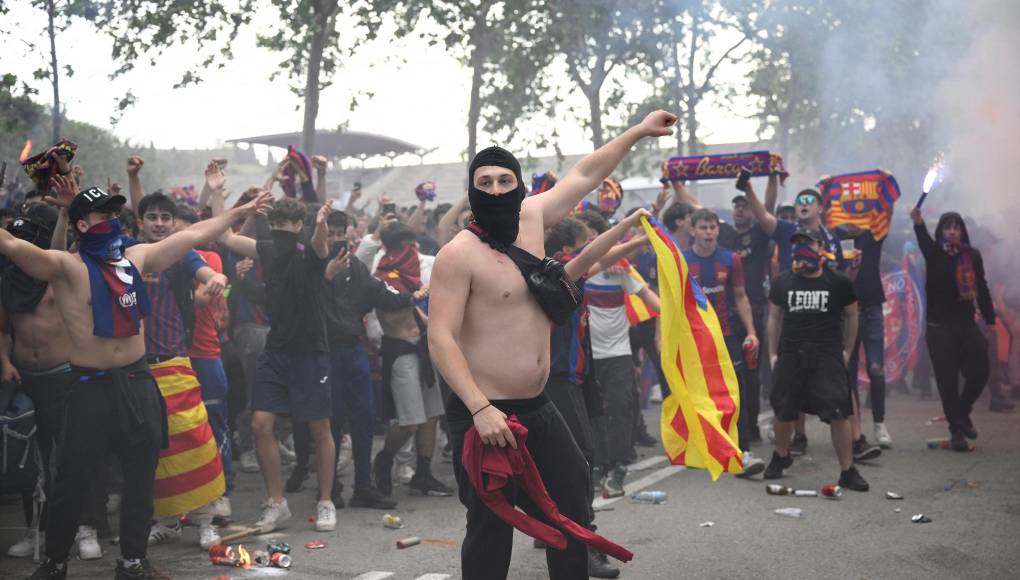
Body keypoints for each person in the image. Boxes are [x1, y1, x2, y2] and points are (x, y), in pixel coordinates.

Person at [429, 110, 676, 580]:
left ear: (519, 185)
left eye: (505, 180)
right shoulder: (456, 255)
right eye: (485, 182)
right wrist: (480, 409)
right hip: (485, 413)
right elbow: (440, 338)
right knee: (490, 526)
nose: (496, 190)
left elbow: (586, 173)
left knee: (572, 504)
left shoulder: (533, 216)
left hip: (537, 404)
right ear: (473, 191)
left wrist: (640, 131)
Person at [0, 181, 270, 580]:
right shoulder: (66, 267)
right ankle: (54, 562)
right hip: (90, 386)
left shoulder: (136, 257)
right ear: (81, 225)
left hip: (138, 380)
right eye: (103, 214)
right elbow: (10, 244)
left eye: (115, 213)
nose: (112, 220)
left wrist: (239, 212)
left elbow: (194, 234)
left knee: (141, 477)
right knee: (73, 478)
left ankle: (132, 561)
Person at [216, 197, 338, 533]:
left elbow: (320, 245)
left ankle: (325, 500)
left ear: (299, 225)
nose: (279, 230)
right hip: (276, 350)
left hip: (311, 351)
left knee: (319, 428)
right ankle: (276, 502)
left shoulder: (309, 252)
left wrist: (322, 224)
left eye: (286, 224)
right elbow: (225, 236)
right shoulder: (267, 249)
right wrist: (220, 195)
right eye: (275, 224)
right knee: (260, 424)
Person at [543, 209, 652, 579]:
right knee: (580, 462)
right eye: (581, 244)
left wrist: (639, 237)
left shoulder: (556, 271)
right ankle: (583, 543)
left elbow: (601, 257)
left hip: (573, 374)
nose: (588, 248)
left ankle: (555, 527)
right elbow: (599, 255)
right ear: (566, 250)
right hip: (559, 377)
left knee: (564, 460)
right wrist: (633, 227)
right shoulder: (559, 272)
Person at [0, 202, 106, 561]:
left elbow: (62, 251)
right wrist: (4, 360)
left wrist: (64, 214)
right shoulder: (9, 280)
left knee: (76, 454)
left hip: (65, 378)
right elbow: (2, 330)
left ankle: (87, 527)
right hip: (26, 383)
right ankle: (38, 531)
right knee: (33, 463)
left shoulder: (60, 273)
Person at [763, 228, 869, 492]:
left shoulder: (838, 281)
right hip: (791, 353)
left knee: (838, 412)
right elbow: (774, 317)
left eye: (808, 243)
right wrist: (773, 353)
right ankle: (781, 455)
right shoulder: (783, 281)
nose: (801, 248)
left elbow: (852, 315)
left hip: (826, 354)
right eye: (797, 243)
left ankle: (847, 470)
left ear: (821, 246)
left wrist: (847, 351)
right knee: (783, 408)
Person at [321, 209, 411, 508]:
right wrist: (326, 275)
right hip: (324, 352)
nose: (335, 239)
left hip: (353, 348)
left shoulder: (355, 267)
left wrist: (414, 295)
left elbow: (381, 293)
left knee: (364, 418)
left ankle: (362, 486)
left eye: (339, 233)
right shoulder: (311, 265)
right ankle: (329, 487)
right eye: (330, 233)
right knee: (331, 421)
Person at [574, 209, 660, 498]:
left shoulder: (622, 269)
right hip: (586, 354)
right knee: (593, 413)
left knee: (621, 407)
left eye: (593, 239)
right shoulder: (576, 270)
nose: (588, 245)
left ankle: (619, 465)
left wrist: (685, 313)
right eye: (584, 240)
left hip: (619, 352)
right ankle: (598, 465)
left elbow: (652, 301)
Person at [371, 221, 452, 498]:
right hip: (401, 350)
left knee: (431, 416)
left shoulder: (416, 274)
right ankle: (384, 460)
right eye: (403, 245)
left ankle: (423, 474)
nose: (409, 251)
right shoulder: (383, 276)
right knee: (410, 421)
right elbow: (391, 318)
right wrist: (411, 300)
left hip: (424, 350)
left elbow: (424, 316)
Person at [684, 208, 764, 477]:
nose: (708, 232)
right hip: (695, 339)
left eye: (712, 228)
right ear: (692, 230)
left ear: (718, 230)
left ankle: (743, 450)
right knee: (698, 393)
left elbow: (741, 297)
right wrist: (663, 336)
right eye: (703, 228)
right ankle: (701, 447)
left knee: (734, 392)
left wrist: (751, 332)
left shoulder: (730, 259)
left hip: (726, 337)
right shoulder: (683, 261)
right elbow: (672, 302)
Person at [910, 207, 995, 451]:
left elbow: (982, 287)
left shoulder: (972, 256)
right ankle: (956, 431)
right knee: (947, 381)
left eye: (956, 227)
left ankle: (962, 411)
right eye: (947, 227)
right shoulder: (934, 253)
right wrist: (918, 222)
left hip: (966, 325)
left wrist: (990, 318)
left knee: (980, 372)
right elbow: (923, 238)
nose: (952, 231)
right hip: (939, 329)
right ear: (941, 231)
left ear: (963, 231)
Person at [718, 194, 772, 443]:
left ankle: (752, 426)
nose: (740, 210)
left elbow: (767, 209)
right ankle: (730, 425)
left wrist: (770, 180)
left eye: (745, 206)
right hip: (727, 315)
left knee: (751, 374)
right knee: (727, 373)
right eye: (737, 206)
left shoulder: (760, 234)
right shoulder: (725, 234)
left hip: (754, 313)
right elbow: (697, 210)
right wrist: (678, 184)